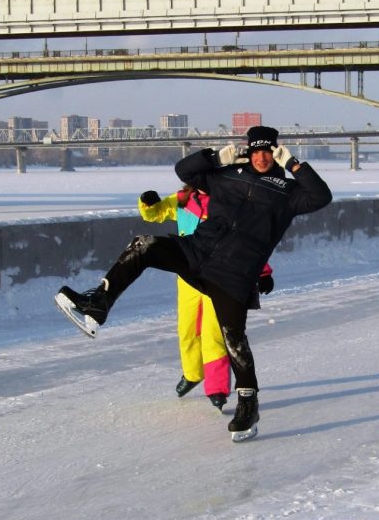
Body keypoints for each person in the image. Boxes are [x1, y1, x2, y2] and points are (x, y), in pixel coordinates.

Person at [55, 125, 332, 441]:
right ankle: (98, 304)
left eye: (268, 151)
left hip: (235, 272)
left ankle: (248, 404)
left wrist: (294, 164)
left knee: (233, 337)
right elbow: (183, 170)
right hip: (197, 251)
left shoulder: (287, 191)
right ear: (248, 150)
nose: (261, 157)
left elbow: (321, 196)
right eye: (256, 150)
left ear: (275, 152)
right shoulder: (228, 175)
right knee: (144, 244)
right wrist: (217, 156)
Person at [138, 185, 275, 412]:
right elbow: (157, 214)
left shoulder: (228, 204)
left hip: (218, 277)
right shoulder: (182, 200)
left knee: (214, 334)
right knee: (187, 329)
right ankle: (192, 374)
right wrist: (148, 203)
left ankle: (217, 389)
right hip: (188, 276)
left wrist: (263, 271)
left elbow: (248, 241)